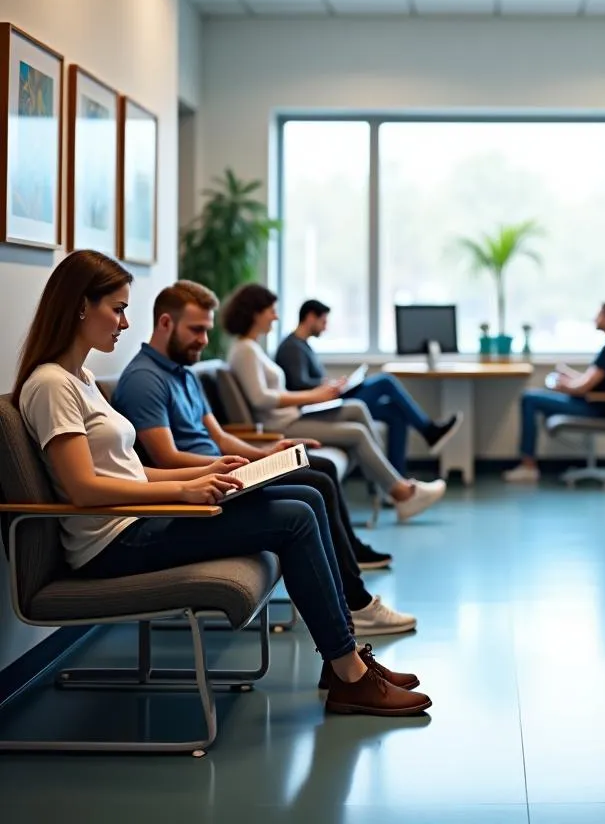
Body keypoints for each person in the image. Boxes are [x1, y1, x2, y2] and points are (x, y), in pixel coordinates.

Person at [15, 250, 432, 716]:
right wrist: (181, 490)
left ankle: (346, 660)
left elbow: (127, 470)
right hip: (116, 542)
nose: (125, 323)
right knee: (293, 518)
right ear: (79, 306)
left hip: (140, 522)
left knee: (307, 495)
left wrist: (207, 471)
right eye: (118, 308)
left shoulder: (82, 378)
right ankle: (348, 673)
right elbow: (84, 488)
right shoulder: (51, 385)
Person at [112, 280, 414, 637]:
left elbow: (220, 437)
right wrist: (224, 466)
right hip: (206, 486)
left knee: (316, 470)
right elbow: (166, 458)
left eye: (207, 331)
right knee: (316, 480)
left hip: (224, 473)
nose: (204, 341)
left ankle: (354, 599)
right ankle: (356, 602)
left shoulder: (184, 373)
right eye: (196, 330)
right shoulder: (145, 380)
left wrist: (266, 454)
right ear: (165, 324)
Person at [222, 284, 446, 523]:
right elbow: (260, 399)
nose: (275, 316)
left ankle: (390, 484)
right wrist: (312, 396)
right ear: (255, 312)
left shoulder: (252, 348)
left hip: (292, 416)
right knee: (357, 433)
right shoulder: (245, 350)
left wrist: (319, 393)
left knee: (357, 408)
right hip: (281, 425)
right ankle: (401, 492)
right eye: (271, 311)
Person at [275, 298, 462, 475]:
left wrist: (333, 383)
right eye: (323, 321)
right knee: (385, 381)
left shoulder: (302, 346)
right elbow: (298, 385)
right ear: (310, 317)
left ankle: (397, 479)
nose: (325, 326)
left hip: (329, 400)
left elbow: (308, 381)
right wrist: (329, 386)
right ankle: (428, 431)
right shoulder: (292, 347)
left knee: (396, 413)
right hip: (319, 408)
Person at [503, 302, 605, 484]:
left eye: (600, 314)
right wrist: (568, 376)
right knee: (533, 397)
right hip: (593, 402)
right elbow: (591, 380)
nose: (595, 318)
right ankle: (528, 463)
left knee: (529, 398)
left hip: (595, 408)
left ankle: (528, 466)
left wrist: (562, 386)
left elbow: (584, 387)